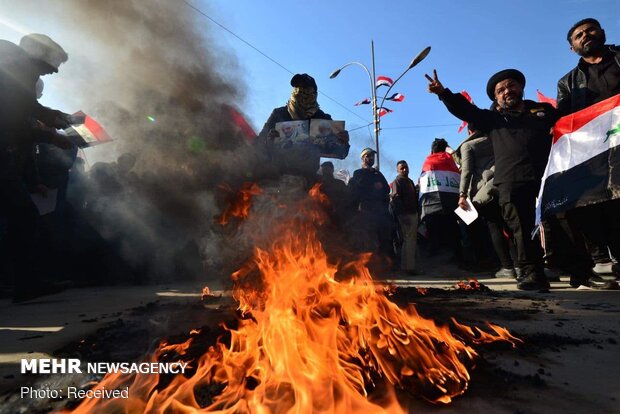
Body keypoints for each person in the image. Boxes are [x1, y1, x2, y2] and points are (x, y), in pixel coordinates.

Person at [426, 68, 558, 291]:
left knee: (558, 223)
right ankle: (530, 273)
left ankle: (577, 270)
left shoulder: (543, 111)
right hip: (512, 180)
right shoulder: (494, 119)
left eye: (511, 85)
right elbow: (465, 110)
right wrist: (444, 93)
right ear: (496, 98)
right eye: (501, 90)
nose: (507, 91)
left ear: (521, 87)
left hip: (549, 176)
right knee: (521, 229)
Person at [0, 33, 72, 302]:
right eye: (50, 65)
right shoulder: (11, 72)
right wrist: (50, 135)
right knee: (24, 215)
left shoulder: (14, 75)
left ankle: (22, 282)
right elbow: (12, 125)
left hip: (6, 158)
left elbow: (25, 110)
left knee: (19, 216)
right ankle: (24, 284)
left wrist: (48, 116)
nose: (52, 72)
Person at [555, 18, 620, 286]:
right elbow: (563, 120)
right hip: (596, 155)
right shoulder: (568, 82)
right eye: (578, 35)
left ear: (602, 32)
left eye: (590, 30)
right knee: (608, 208)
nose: (586, 35)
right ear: (573, 48)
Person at [258, 73, 349, 181]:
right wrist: (269, 140)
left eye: (306, 89)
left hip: (307, 179)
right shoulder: (279, 113)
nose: (301, 91)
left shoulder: (322, 118)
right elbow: (259, 142)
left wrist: (344, 142)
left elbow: (340, 153)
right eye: (298, 88)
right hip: (278, 175)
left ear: (314, 93)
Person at [456, 129, 515, 278]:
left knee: (495, 227)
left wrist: (462, 194)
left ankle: (508, 267)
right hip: (506, 183)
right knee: (513, 226)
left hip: (486, 191)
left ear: (470, 130)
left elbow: (467, 172)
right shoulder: (500, 138)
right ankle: (521, 265)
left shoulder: (468, 146)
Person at [418, 138, 461, 261]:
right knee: (453, 233)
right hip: (452, 204)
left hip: (432, 206)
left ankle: (437, 262)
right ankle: (458, 259)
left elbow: (423, 183)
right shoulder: (451, 160)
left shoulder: (429, 161)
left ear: (432, 150)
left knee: (435, 235)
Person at [348, 148, 392, 262]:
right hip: (366, 211)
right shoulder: (358, 173)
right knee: (368, 238)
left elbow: (386, 188)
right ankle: (368, 265)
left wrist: (380, 187)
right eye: (369, 156)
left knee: (383, 238)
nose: (372, 158)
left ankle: (383, 265)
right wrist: (374, 186)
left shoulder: (377, 173)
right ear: (363, 158)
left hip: (381, 212)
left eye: (373, 156)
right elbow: (358, 190)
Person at [390, 160, 419, 274]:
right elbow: (396, 199)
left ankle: (406, 267)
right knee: (409, 241)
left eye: (406, 167)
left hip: (413, 213)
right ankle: (409, 268)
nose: (404, 170)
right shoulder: (398, 181)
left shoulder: (410, 181)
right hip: (406, 215)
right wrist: (402, 215)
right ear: (398, 170)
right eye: (402, 168)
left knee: (410, 240)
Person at [318, 161, 349, 227]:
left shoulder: (339, 184)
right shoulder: (317, 185)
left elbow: (347, 199)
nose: (325, 171)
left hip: (337, 216)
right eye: (323, 169)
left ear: (332, 170)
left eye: (327, 169)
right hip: (321, 216)